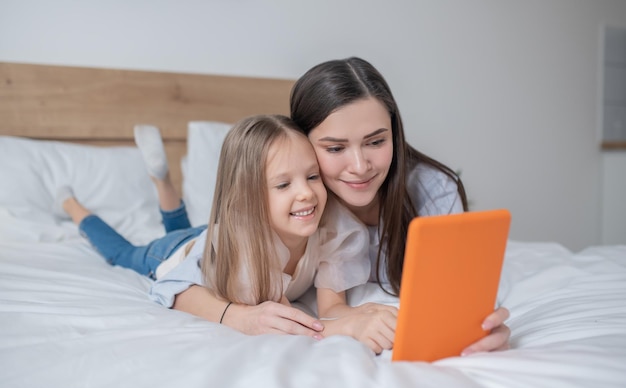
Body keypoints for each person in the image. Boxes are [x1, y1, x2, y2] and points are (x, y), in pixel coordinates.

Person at [172, 57, 511, 355]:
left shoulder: (433, 190)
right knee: (169, 240)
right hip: (188, 243)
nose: (360, 166)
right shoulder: (298, 201)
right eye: (335, 149)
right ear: (302, 142)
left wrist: (482, 325)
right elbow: (176, 285)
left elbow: (455, 291)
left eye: (376, 142)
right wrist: (242, 318)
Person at [55, 116, 397, 351]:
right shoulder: (248, 253)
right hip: (175, 253)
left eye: (312, 176)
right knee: (123, 253)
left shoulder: (333, 229)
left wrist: (360, 316)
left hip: (211, 234)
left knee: (187, 228)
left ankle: (163, 181)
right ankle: (73, 206)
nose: (306, 193)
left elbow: (330, 309)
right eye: (282, 184)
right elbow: (173, 287)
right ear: (249, 196)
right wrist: (238, 316)